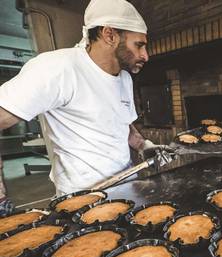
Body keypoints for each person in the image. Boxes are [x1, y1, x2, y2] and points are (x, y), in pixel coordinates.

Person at [0, 0, 168, 196]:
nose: (145, 55)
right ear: (109, 35)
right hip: (83, 199)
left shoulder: (124, 78)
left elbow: (121, 124)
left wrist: (143, 145)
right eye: (139, 45)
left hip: (126, 187)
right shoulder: (57, 68)